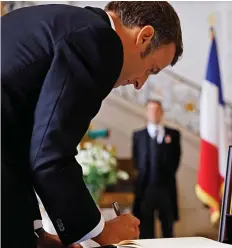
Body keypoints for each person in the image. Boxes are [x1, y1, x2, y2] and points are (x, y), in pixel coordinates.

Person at [1, 2, 183, 248]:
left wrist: (36, 236)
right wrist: (100, 231)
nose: (140, 84)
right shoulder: (99, 40)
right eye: (150, 69)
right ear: (144, 36)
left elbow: (21, 146)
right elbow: (51, 153)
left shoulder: (72, 24)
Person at [132, 100, 182, 239]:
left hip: (166, 188)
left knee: (168, 227)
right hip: (145, 189)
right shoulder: (138, 135)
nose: (154, 113)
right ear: (147, 112)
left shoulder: (174, 134)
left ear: (161, 112)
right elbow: (136, 161)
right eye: (150, 110)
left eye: (156, 110)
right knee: (145, 228)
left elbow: (176, 159)